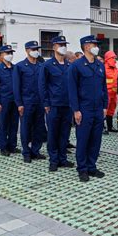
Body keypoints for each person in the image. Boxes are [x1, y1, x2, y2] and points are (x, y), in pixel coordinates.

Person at [68, 35, 108, 181]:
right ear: (86, 47)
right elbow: (72, 90)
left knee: (96, 140)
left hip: (98, 109)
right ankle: (82, 169)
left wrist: (105, 106)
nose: (96, 47)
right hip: (84, 109)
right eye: (94, 44)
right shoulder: (76, 66)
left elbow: (104, 87)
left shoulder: (99, 65)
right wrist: (76, 110)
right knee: (83, 140)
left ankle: (92, 166)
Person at [39, 36, 74, 172]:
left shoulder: (69, 65)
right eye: (60, 45)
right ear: (54, 47)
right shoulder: (47, 65)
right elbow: (42, 86)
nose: (63, 47)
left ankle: (63, 158)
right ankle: (53, 160)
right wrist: (46, 103)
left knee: (65, 133)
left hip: (67, 105)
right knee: (53, 133)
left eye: (64, 44)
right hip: (53, 105)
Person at [13, 41, 46, 163]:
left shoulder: (41, 66)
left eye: (37, 49)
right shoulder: (20, 66)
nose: (36, 51)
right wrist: (19, 104)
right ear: (27, 50)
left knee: (39, 128)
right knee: (26, 128)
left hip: (39, 102)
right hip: (26, 103)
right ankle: (26, 152)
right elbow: (16, 87)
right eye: (33, 49)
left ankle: (35, 151)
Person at [0, 45, 19, 157]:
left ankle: (12, 145)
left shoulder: (15, 68)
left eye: (11, 53)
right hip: (4, 101)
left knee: (14, 124)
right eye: (7, 53)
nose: (9, 55)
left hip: (15, 100)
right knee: (3, 124)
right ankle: (3, 147)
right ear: (1, 56)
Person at [104, 51, 118, 133]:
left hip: (114, 94)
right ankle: (102, 127)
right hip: (106, 94)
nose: (115, 60)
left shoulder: (115, 69)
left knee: (111, 110)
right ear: (108, 59)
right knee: (104, 110)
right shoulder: (103, 69)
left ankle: (110, 127)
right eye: (113, 58)